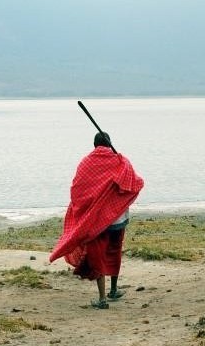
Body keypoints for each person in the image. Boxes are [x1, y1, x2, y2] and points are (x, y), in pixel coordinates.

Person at [50, 132, 144, 309]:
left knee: (98, 256)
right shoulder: (122, 162)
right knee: (115, 252)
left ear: (94, 145)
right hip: (119, 219)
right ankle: (114, 290)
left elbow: (77, 190)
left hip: (97, 222)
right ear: (110, 144)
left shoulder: (86, 163)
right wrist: (124, 162)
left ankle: (102, 299)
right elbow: (135, 183)